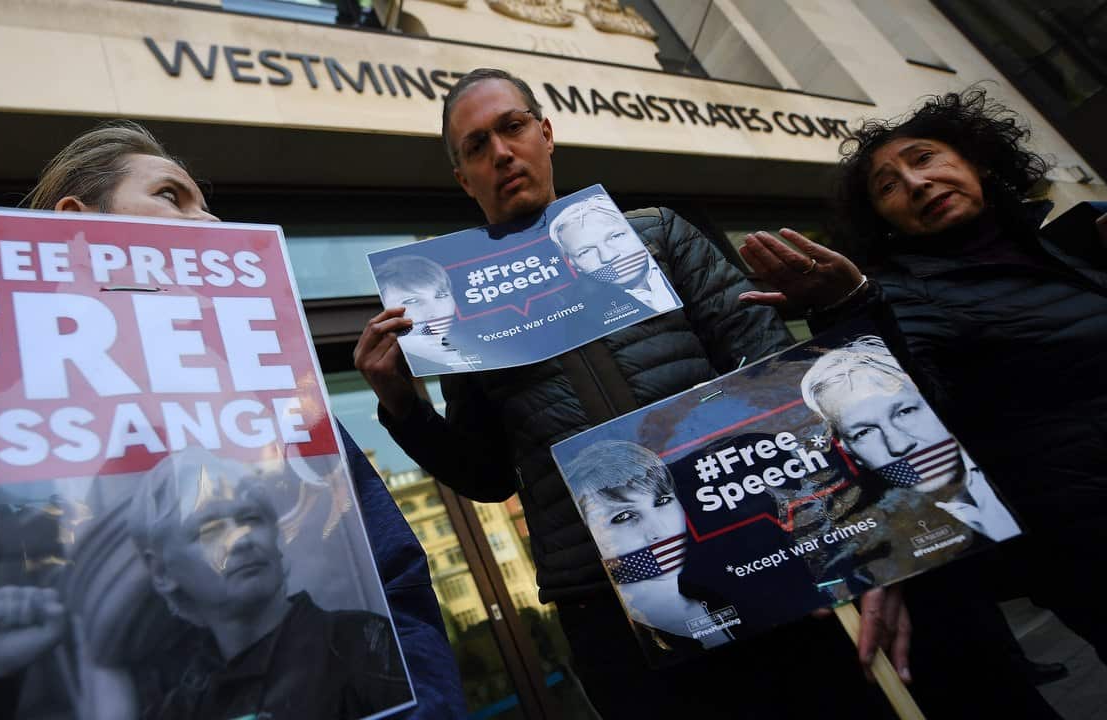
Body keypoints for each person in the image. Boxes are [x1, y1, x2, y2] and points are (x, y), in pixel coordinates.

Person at [0, 120, 467, 720]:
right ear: (78, 232)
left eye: (203, 203)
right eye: (172, 197)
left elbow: (397, 589)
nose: (208, 219)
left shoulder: (277, 402)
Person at [355, 67, 904, 718]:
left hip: (762, 544)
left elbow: (775, 374)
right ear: (463, 178)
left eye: (512, 127)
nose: (500, 152)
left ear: (546, 134)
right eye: (476, 146)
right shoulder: (462, 311)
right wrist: (402, 407)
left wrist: (849, 539)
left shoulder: (655, 235)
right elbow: (487, 476)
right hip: (605, 599)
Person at [738, 88, 1107, 667]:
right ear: (881, 218)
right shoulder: (900, 295)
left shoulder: (1066, 249)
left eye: (925, 158)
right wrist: (849, 309)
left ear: (977, 162)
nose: (914, 182)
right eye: (887, 186)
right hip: (1084, 542)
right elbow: (917, 410)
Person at [0, 447, 414, 720]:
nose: (241, 539)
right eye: (208, 528)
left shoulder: (363, 646)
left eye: (250, 518)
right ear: (160, 571)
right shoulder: (179, 707)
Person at [801, 335, 1019, 542]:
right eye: (863, 432)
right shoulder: (877, 545)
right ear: (850, 451)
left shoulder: (1017, 447)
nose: (899, 444)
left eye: (905, 411)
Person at [564, 440, 731, 654]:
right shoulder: (612, 640)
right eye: (624, 516)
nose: (658, 530)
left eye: (662, 501)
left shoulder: (719, 595)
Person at [549, 193, 680, 312]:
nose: (608, 256)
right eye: (585, 251)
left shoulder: (667, 229)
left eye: (616, 236)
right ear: (574, 264)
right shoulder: (581, 315)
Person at [373, 254, 480, 373]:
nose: (434, 311)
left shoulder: (471, 349)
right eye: (412, 301)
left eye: (441, 295)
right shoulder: (400, 363)